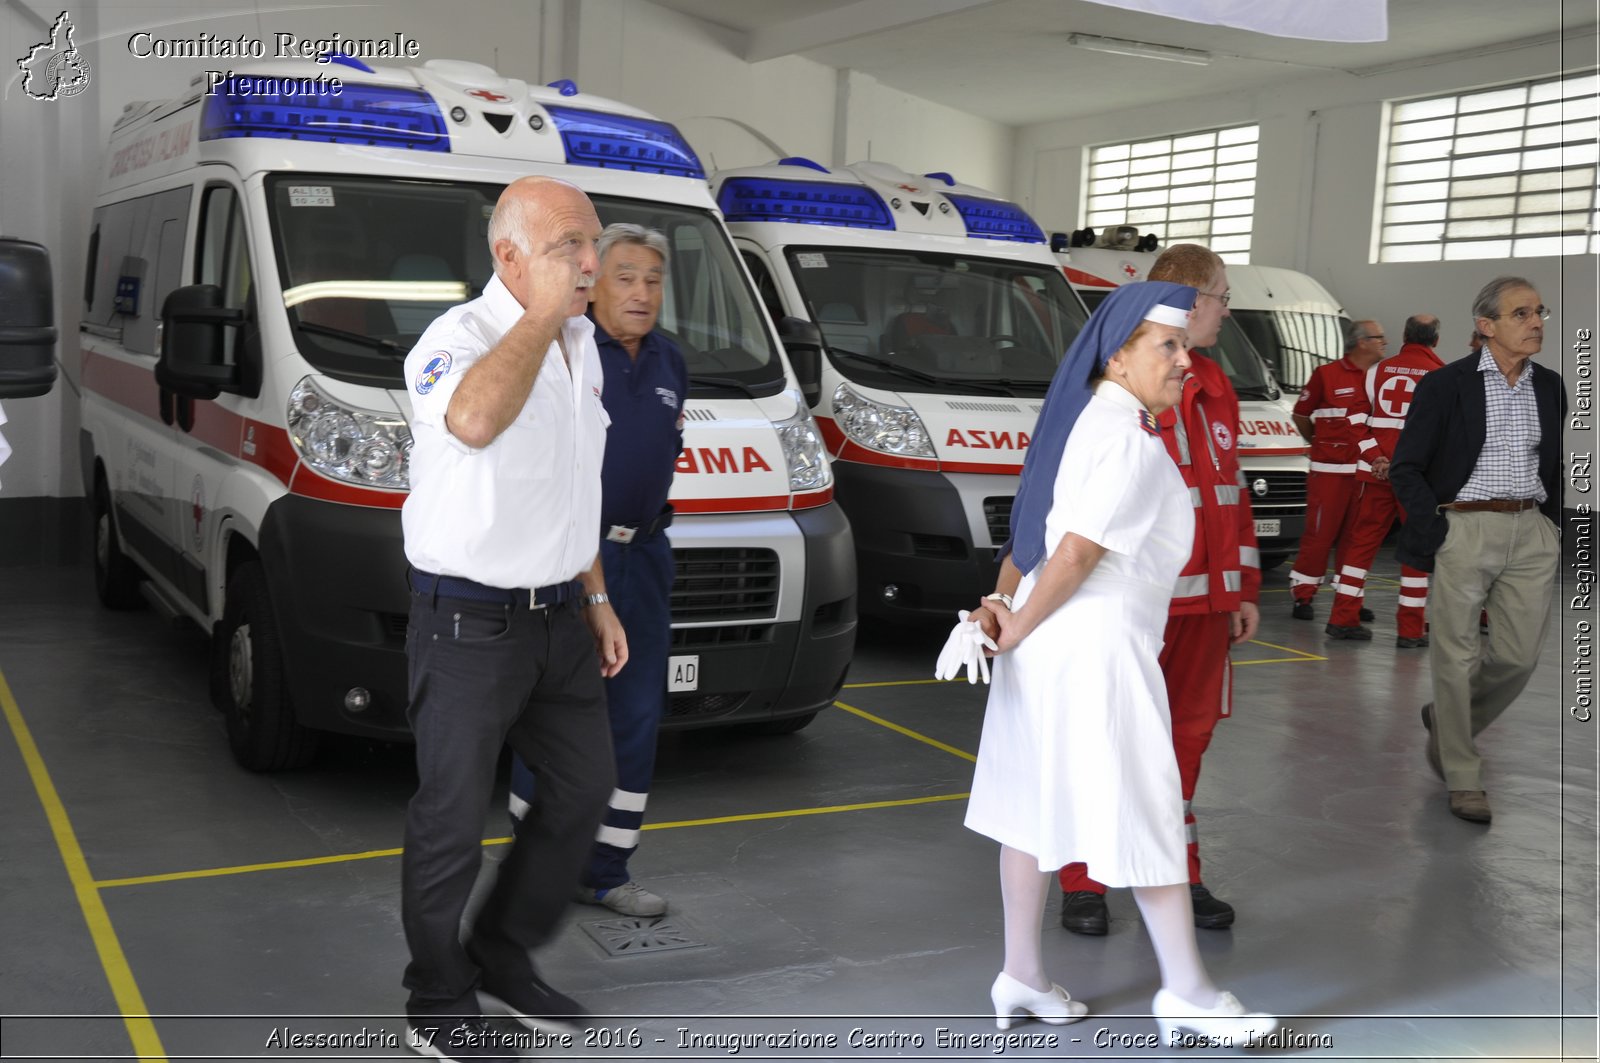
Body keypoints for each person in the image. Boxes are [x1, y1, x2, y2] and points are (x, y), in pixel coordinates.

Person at [961, 281, 1276, 1041]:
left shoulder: (1083, 423)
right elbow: (1074, 553)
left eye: (1185, 347)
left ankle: (1022, 975)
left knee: (1030, 808)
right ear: (1121, 352)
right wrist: (1016, 626)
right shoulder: (1128, 440)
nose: (1185, 363)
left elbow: (1032, 535)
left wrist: (1003, 613)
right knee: (1150, 807)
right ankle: (1190, 992)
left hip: (1053, 650)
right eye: (1168, 347)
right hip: (1092, 648)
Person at [398, 175, 627, 1060]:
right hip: (468, 626)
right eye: (570, 246)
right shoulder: (455, 340)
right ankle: (436, 999)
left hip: (559, 620)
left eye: (592, 244)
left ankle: (498, 952)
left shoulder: (584, 345)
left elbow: (577, 481)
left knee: (581, 789)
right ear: (510, 256)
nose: (591, 264)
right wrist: (539, 318)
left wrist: (596, 593)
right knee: (451, 820)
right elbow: (475, 420)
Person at [1055, 244, 1258, 936]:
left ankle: (1176, 867)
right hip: (1134, 606)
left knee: (1186, 740)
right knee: (1108, 737)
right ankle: (1084, 878)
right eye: (1222, 297)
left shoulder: (1218, 386)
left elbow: (1231, 495)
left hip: (1206, 611)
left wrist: (1245, 586)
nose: (1227, 311)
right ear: (1190, 298)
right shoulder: (1124, 383)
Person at [509, 223, 688, 918]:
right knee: (554, 714)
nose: (642, 293)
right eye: (625, 277)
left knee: (637, 715)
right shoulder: (568, 349)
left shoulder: (671, 361)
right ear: (593, 280)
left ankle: (607, 870)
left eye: (653, 279)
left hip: (644, 556)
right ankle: (537, 864)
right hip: (569, 558)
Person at [1390, 277, 1566, 825]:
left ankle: (1448, 717)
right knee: (1457, 657)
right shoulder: (1446, 386)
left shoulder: (1552, 387)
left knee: (1517, 657)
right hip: (1465, 528)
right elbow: (1406, 467)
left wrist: (1552, 529)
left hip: (1530, 531)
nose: (1535, 322)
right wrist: (1440, 530)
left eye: (1539, 312)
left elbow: (1552, 467)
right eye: (1521, 314)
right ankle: (1463, 776)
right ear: (1486, 326)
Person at [1325, 314, 1445, 645]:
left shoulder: (1375, 371)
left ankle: (1342, 618)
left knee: (1360, 546)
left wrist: (1375, 457)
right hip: (1416, 481)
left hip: (1373, 475)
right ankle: (1410, 630)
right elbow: (1441, 435)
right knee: (1417, 550)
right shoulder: (1440, 376)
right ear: (1435, 340)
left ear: (1405, 335)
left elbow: (1354, 419)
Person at [1286, 319, 1387, 627]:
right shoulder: (1326, 375)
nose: (1385, 342)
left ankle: (1350, 599)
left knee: (1356, 540)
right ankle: (1304, 594)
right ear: (1361, 342)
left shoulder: (1380, 377)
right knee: (1320, 535)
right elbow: (1301, 414)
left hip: (1363, 472)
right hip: (1328, 472)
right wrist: (1318, 442)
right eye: (1379, 337)